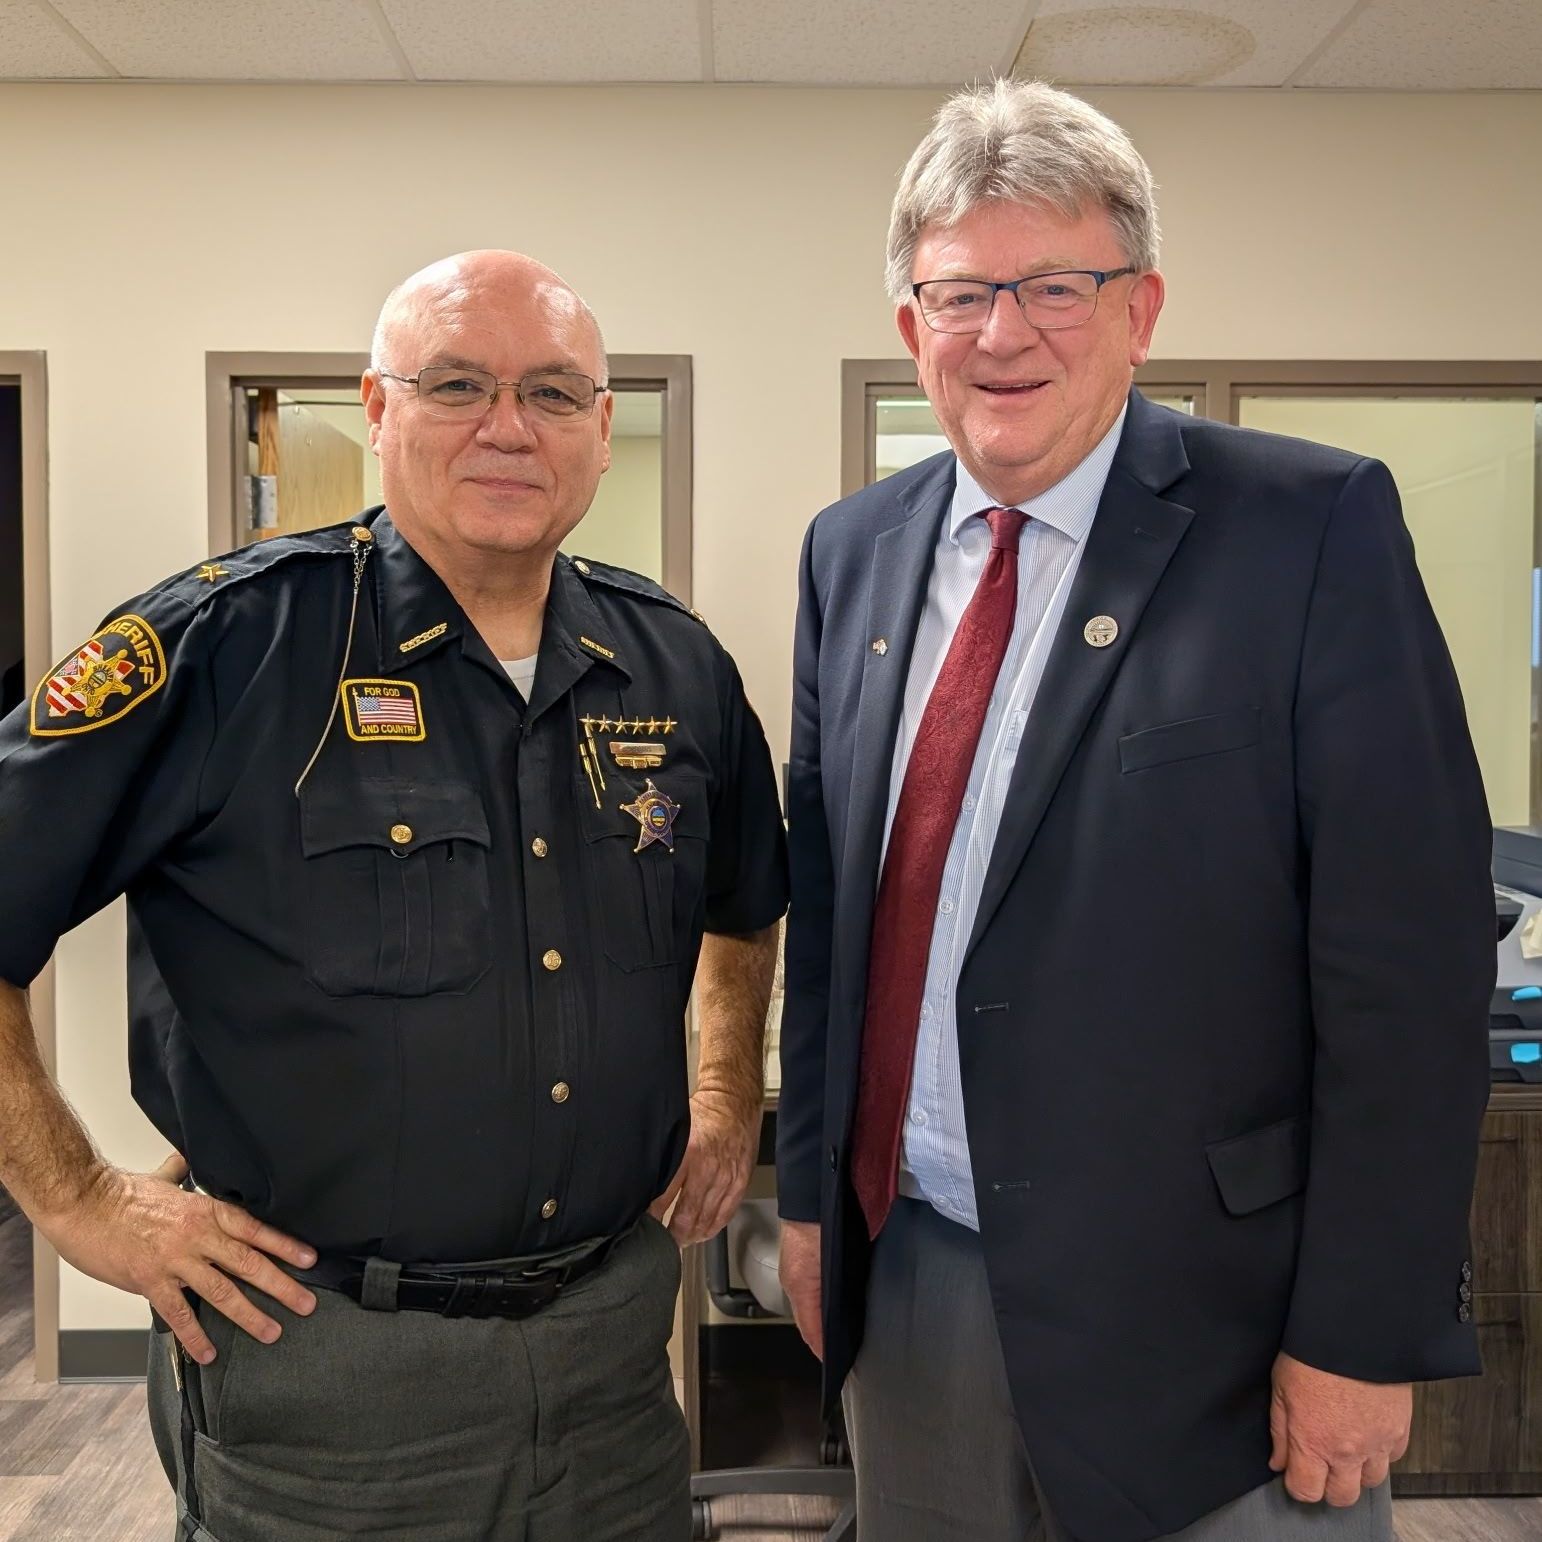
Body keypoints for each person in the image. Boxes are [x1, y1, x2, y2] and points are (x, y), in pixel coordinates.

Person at [775, 79, 1493, 1542]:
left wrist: (1362, 1324)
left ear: (1139, 305)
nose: (1002, 331)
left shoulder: (1306, 527)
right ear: (911, 326)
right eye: (960, 292)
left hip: (1212, 1318)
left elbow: (1406, 971)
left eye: (1055, 284)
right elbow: (832, 910)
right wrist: (803, 1202)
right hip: (911, 1279)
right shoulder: (847, 556)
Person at [0, 249, 787, 1541]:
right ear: (377, 409)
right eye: (456, 383)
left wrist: (715, 1092)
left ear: (600, 429)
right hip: (331, 1371)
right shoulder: (232, 647)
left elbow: (741, 892)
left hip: (607, 1361)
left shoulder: (673, 664)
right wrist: (74, 1193)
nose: (505, 425)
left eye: (549, 392)